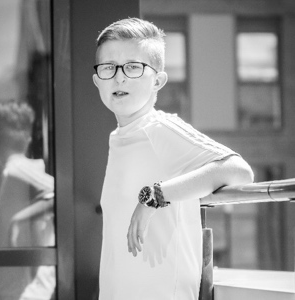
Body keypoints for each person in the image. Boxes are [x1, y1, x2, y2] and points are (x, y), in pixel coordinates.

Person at [92, 18, 254, 300]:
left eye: (133, 67)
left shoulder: (159, 128)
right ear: (97, 80)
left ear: (158, 80)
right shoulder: (120, 137)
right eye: (109, 67)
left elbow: (239, 171)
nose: (119, 77)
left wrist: (154, 196)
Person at [0, 101, 55, 300]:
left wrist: (18, 220)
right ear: (28, 139)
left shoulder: (17, 168)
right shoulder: (10, 175)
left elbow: (58, 192)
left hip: (26, 293)